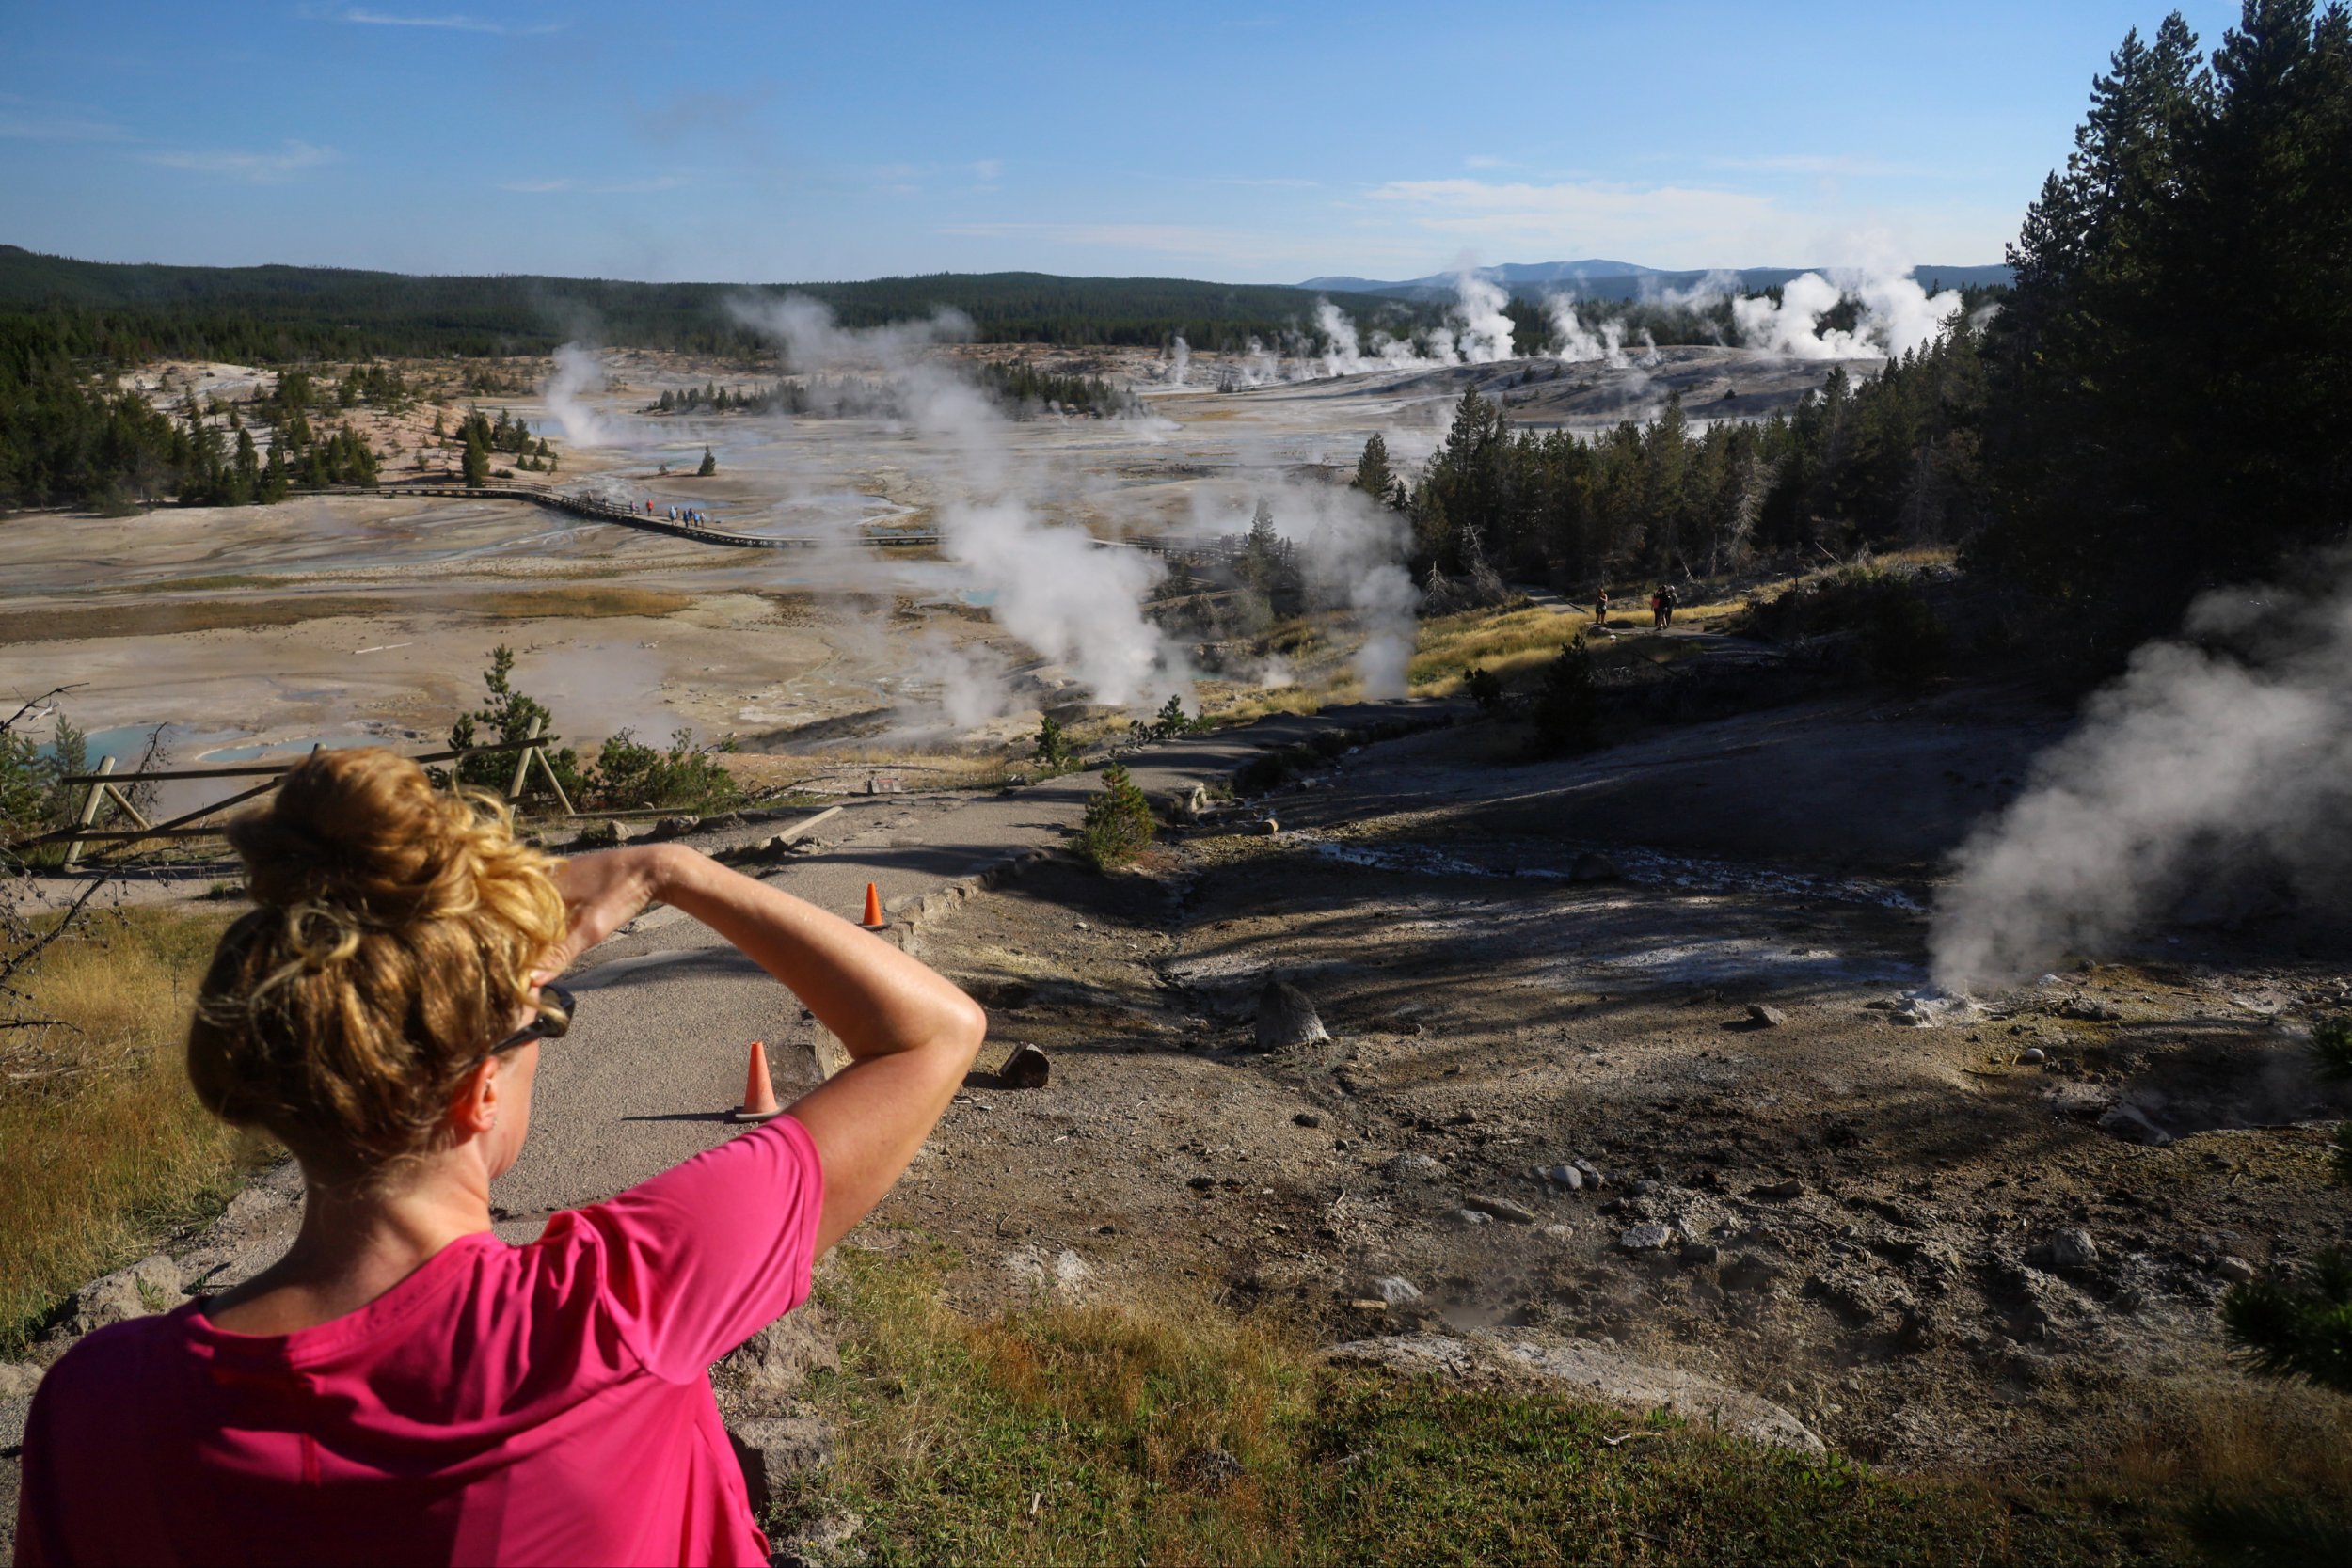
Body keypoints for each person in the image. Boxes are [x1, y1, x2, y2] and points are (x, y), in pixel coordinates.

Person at [15, 749, 986, 1566]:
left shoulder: (96, 1402)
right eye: (547, 1018)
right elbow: (932, 1032)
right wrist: (668, 869)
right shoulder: (614, 1310)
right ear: (478, 1092)